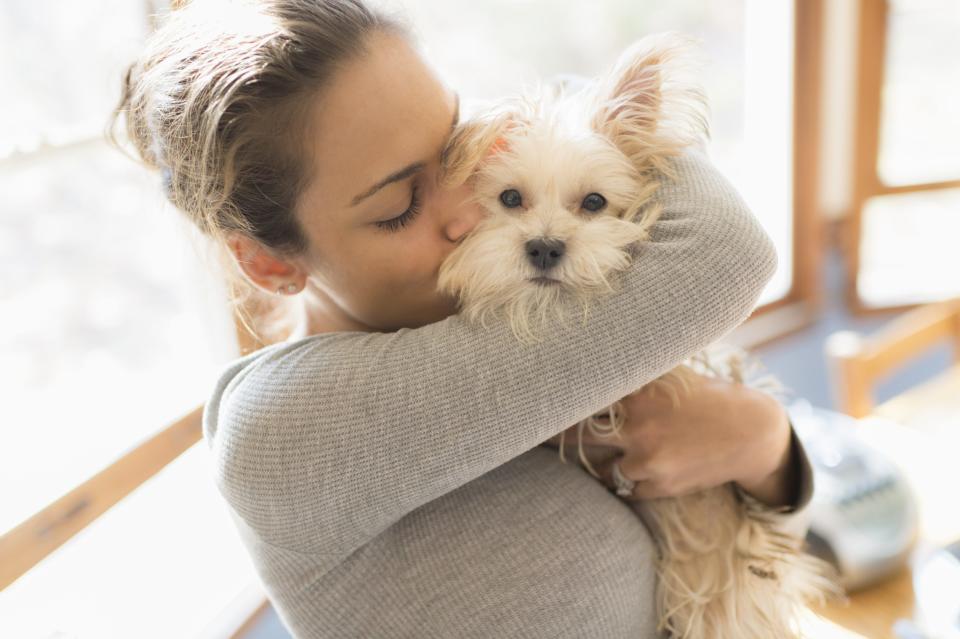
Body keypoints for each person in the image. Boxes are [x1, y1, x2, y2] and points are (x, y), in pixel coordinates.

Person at [110, 1, 814, 636]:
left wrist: (769, 450)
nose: (467, 206)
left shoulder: (500, 320)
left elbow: (742, 558)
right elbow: (727, 255)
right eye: (399, 206)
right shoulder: (279, 434)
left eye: (459, 144)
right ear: (269, 264)